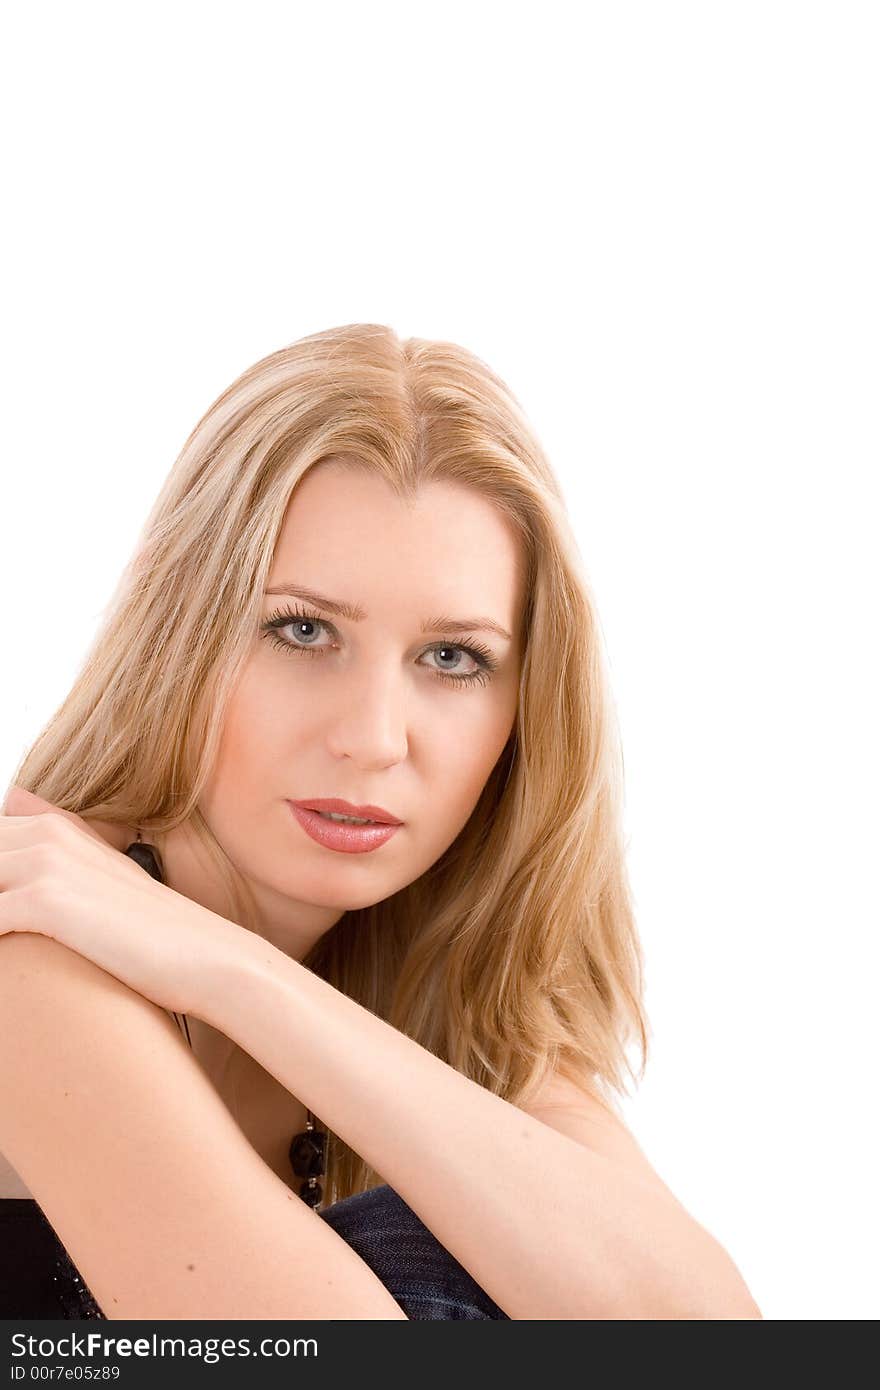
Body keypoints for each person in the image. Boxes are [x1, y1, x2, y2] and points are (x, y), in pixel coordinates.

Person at [0, 323, 762, 1319]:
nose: (372, 739)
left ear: (525, 709)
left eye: (452, 658)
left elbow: (714, 1342)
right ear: (173, 621)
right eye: (301, 629)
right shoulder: (34, 949)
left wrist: (236, 973)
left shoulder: (446, 995)